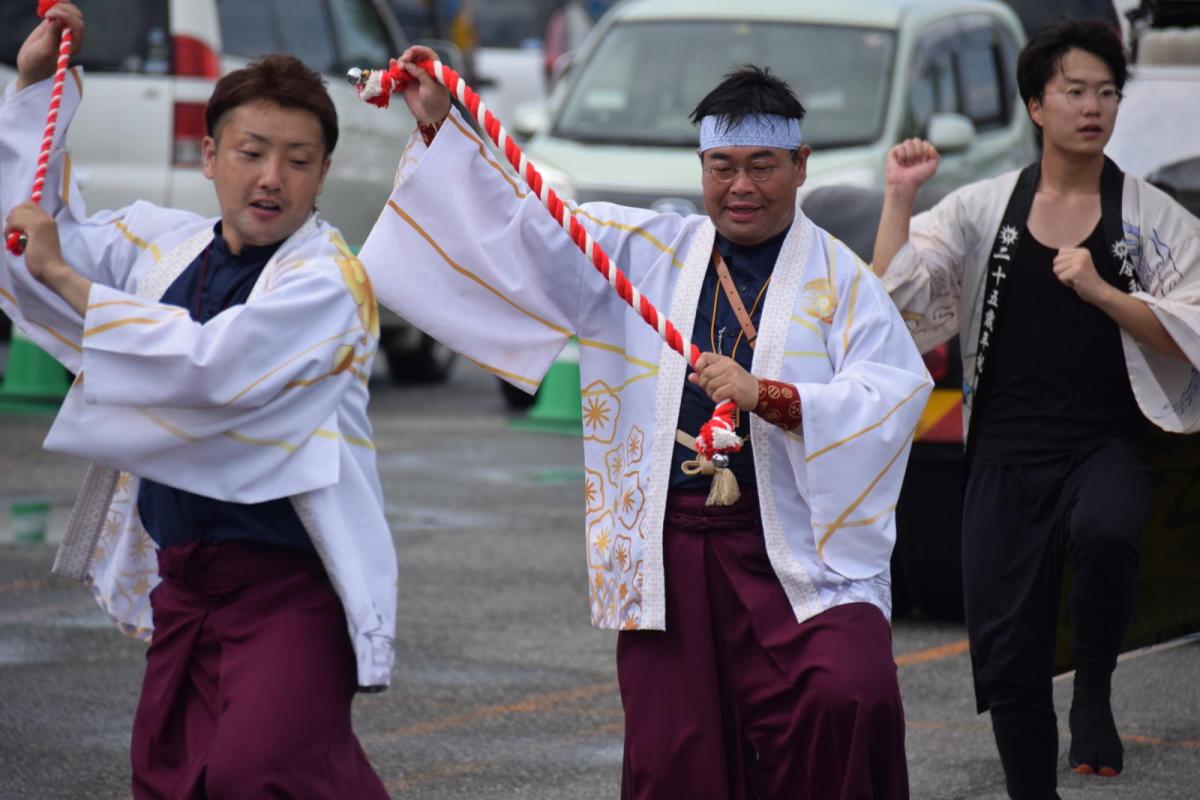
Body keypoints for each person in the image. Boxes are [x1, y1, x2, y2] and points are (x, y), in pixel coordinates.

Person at [362, 49, 933, 798]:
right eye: (721, 166)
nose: (740, 187)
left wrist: (769, 396)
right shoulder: (646, 252)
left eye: (763, 165)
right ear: (699, 168)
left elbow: (890, 395)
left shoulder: (842, 282)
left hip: (794, 548)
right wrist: (442, 127)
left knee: (847, 695)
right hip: (670, 546)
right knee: (676, 757)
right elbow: (526, 229)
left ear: (801, 165)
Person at [1, 5, 394, 797]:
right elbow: (24, 255)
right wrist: (39, 91)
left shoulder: (330, 281)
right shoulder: (160, 243)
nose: (271, 178)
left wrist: (71, 282)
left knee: (262, 773)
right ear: (209, 155)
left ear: (322, 176)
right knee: (171, 776)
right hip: (183, 583)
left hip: (290, 585)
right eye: (251, 153)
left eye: (297, 160)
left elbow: (213, 368)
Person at [871, 19, 1200, 800]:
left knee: (1107, 531)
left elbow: (1193, 325)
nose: (1094, 108)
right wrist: (899, 196)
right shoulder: (983, 208)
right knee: (1007, 655)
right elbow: (893, 300)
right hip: (1002, 454)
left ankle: (1093, 682)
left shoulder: (1152, 218)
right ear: (1034, 105)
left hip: (1107, 443)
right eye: (1074, 91)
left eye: (1108, 93)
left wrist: (1102, 291)